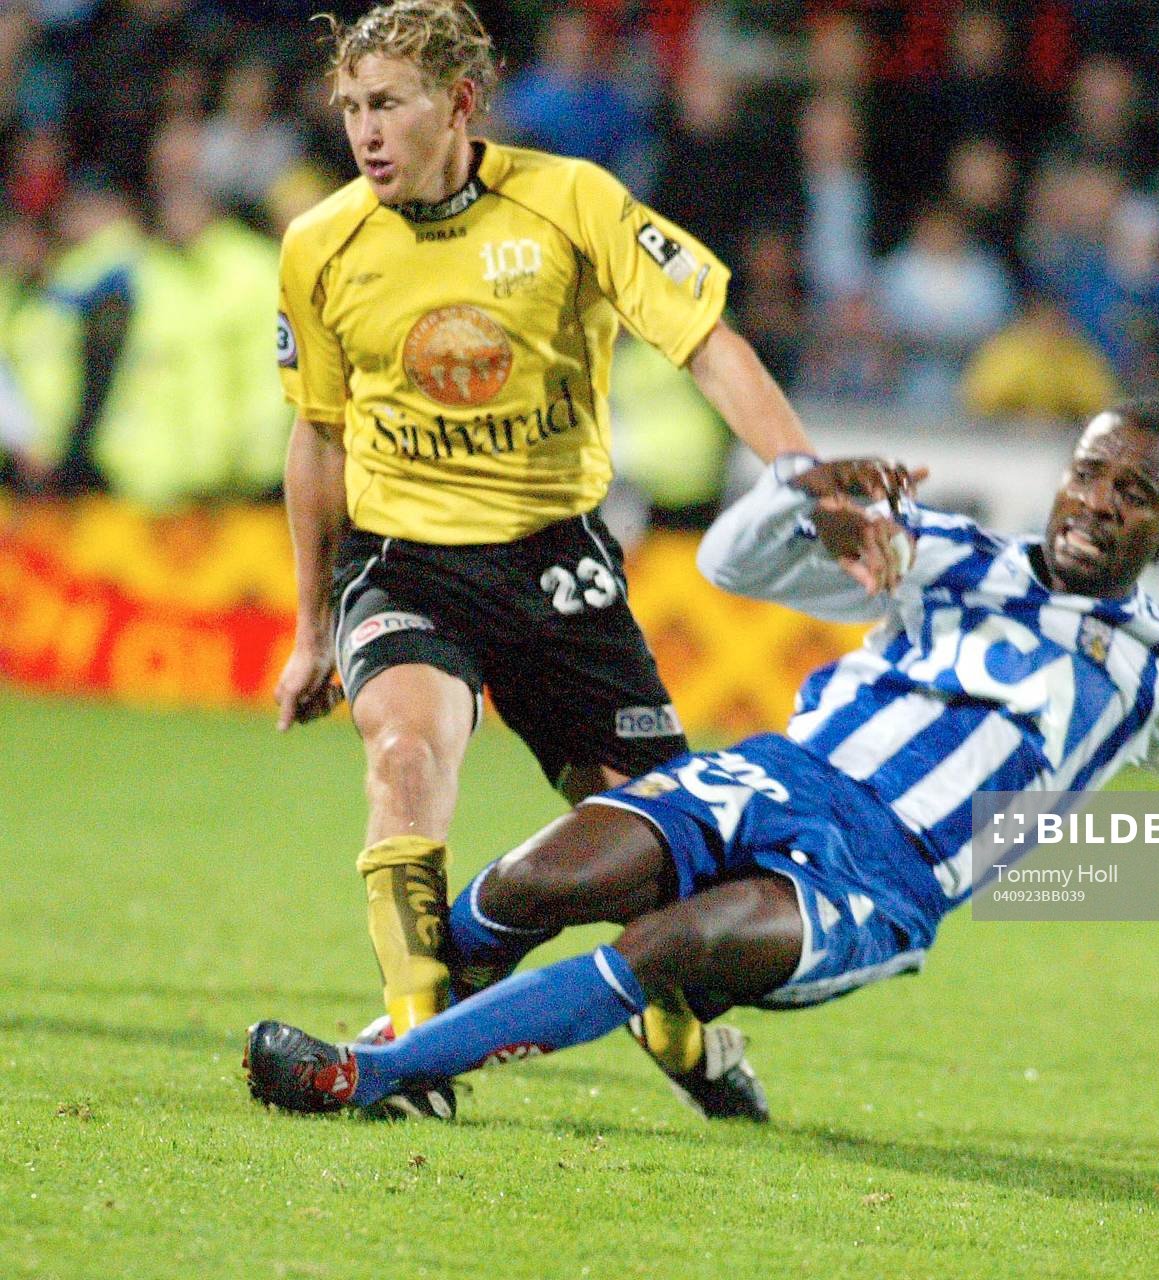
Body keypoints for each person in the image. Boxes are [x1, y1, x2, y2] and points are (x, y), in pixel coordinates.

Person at [245, 400, 1159, 1119]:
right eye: (1090, 474)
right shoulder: (944, 556)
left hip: (886, 881)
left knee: (673, 951)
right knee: (537, 882)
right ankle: (416, 1045)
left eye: (1134, 496)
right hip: (776, 777)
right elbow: (731, 562)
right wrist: (808, 493)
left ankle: (372, 1075)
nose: (1097, 504)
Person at [271, 0, 814, 1118]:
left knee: (657, 846)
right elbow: (317, 433)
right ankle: (418, 1046)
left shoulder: (571, 201)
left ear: (459, 103)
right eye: (351, 109)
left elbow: (706, 343)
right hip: (405, 562)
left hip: (559, 569)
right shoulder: (319, 245)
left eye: (389, 105)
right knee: (407, 748)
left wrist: (808, 475)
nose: (364, 132)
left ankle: (678, 1021)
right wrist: (307, 624)